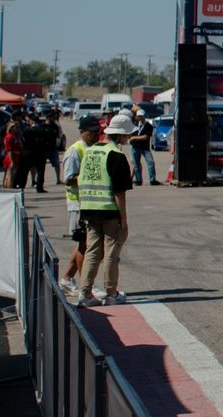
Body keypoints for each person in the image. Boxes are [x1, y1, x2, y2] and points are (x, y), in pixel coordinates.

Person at [76, 113, 137, 305]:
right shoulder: (116, 156)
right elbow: (120, 192)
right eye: (127, 135)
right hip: (109, 210)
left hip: (88, 208)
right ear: (120, 135)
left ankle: (84, 293)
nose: (128, 138)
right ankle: (111, 293)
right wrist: (124, 219)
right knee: (112, 252)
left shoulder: (90, 151)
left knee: (92, 251)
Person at [60, 119, 92, 294]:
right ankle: (85, 285)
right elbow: (68, 178)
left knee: (84, 244)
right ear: (83, 132)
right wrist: (88, 176)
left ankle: (66, 278)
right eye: (92, 131)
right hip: (77, 203)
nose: (96, 134)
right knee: (84, 244)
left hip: (88, 202)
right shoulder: (74, 151)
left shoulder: (90, 148)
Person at [127, 108, 157, 186]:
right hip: (135, 147)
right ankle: (138, 180)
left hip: (145, 148)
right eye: (138, 116)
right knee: (136, 165)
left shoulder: (148, 126)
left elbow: (146, 137)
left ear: (144, 116)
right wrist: (130, 137)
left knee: (150, 162)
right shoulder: (134, 125)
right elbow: (130, 134)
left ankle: (152, 180)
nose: (140, 118)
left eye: (141, 116)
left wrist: (134, 138)